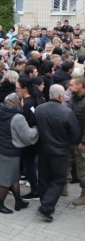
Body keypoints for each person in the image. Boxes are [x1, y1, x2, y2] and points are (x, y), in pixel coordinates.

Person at [34, 85, 81, 222]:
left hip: (43, 149)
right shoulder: (66, 112)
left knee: (43, 178)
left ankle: (45, 202)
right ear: (61, 97)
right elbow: (76, 134)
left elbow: (33, 125)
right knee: (59, 179)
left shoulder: (39, 109)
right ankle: (46, 207)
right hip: (59, 152)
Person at [0, 93, 38, 214]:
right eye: (21, 100)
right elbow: (28, 136)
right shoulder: (17, 117)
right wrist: (37, 129)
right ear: (17, 102)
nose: (23, 103)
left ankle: (18, 201)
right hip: (10, 153)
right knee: (6, 180)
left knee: (14, 177)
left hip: (2, 149)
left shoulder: (1, 111)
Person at [67, 78, 85, 206]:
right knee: (66, 164)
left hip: (81, 142)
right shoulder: (73, 98)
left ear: (80, 86)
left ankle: (84, 194)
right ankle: (62, 187)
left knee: (82, 170)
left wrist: (83, 142)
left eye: (72, 85)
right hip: (70, 139)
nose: (69, 87)